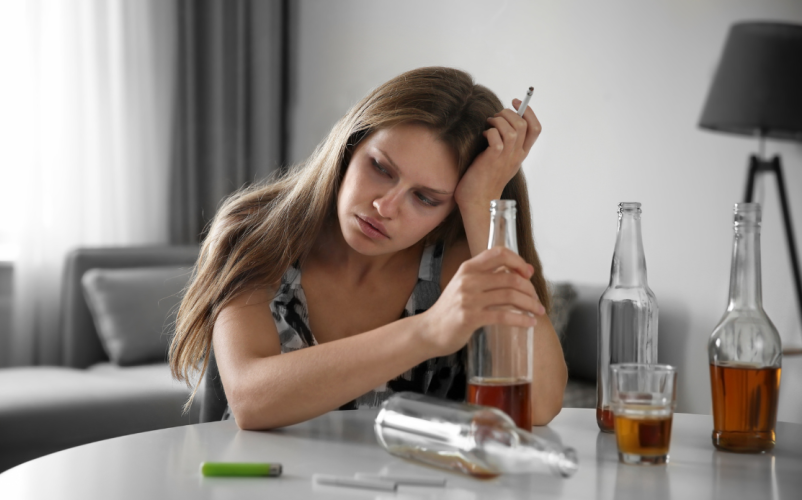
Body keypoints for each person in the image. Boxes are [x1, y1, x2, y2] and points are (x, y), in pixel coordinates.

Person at [169, 67, 567, 430]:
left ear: (450, 210)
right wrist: (429, 330)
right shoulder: (256, 233)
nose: (385, 207)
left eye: (425, 198)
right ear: (350, 145)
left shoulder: (457, 263)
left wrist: (483, 204)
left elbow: (539, 404)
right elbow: (251, 400)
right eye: (380, 168)